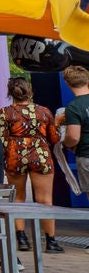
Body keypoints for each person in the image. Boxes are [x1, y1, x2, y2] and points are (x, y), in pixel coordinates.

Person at [0, 77, 64, 254]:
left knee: (18, 198)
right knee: (45, 200)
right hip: (40, 155)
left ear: (10, 93)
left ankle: (22, 238)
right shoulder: (44, 112)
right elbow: (54, 138)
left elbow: (2, 140)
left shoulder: (5, 113)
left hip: (15, 157)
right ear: (30, 92)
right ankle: (51, 241)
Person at [59, 65, 89, 204]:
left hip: (86, 155)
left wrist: (65, 143)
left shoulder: (73, 107)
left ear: (67, 83)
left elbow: (74, 137)